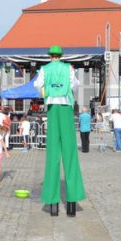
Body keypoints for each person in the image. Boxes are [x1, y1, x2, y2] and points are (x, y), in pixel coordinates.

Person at [33, 46, 85, 217]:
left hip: (52, 108)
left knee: (53, 155)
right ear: (60, 56)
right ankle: (72, 205)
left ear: (50, 56)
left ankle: (53, 205)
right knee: (70, 155)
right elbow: (75, 86)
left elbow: (37, 85)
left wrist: (47, 93)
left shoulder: (45, 69)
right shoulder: (68, 68)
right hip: (66, 107)